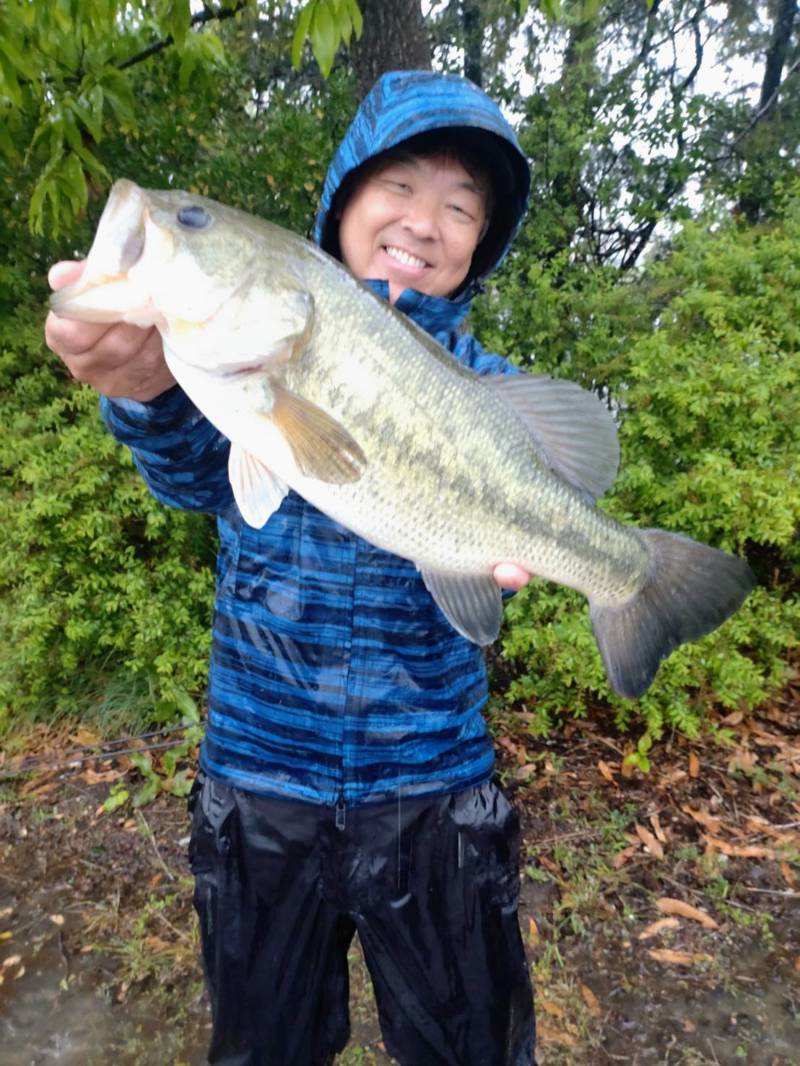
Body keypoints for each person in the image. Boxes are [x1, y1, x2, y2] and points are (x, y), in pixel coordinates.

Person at [46, 70, 537, 1066]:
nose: (423, 220)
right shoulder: (242, 346)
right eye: (398, 186)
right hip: (258, 781)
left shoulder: (495, 393)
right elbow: (193, 473)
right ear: (343, 201)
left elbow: (495, 554)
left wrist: (522, 553)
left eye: (459, 206)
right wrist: (145, 391)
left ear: (479, 243)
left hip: (433, 786)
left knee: (470, 1047)